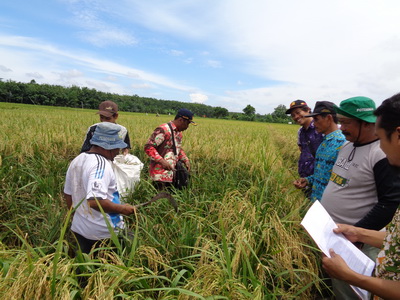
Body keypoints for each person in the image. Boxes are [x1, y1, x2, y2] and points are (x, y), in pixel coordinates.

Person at [320, 96, 400, 299]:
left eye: (347, 122)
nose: (341, 127)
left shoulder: (380, 156)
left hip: (357, 249)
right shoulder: (347, 146)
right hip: (344, 236)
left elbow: (389, 202)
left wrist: (359, 238)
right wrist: (357, 233)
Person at [64, 122, 137, 254]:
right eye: (116, 148)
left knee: (85, 269)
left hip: (80, 229)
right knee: (129, 250)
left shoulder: (77, 160)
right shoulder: (101, 165)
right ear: (107, 147)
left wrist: (79, 218)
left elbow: (68, 195)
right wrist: (123, 209)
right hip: (104, 232)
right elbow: (95, 201)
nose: (117, 152)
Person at [293, 101, 346, 202]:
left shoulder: (343, 143)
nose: (314, 123)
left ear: (329, 118)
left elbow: (343, 180)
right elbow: (322, 174)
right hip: (317, 202)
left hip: (330, 206)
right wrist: (308, 180)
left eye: (316, 119)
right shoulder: (324, 143)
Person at [144, 108, 196, 190]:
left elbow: (177, 149)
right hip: (159, 174)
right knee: (158, 197)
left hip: (171, 174)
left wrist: (185, 159)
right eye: (187, 124)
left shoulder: (178, 133)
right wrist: (162, 161)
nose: (187, 127)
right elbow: (149, 147)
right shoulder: (163, 130)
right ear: (181, 120)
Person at [286, 100, 323, 196]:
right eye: (293, 115)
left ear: (308, 110)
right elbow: (303, 151)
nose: (296, 117)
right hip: (305, 178)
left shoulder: (321, 128)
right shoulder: (300, 132)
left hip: (320, 179)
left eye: (298, 113)